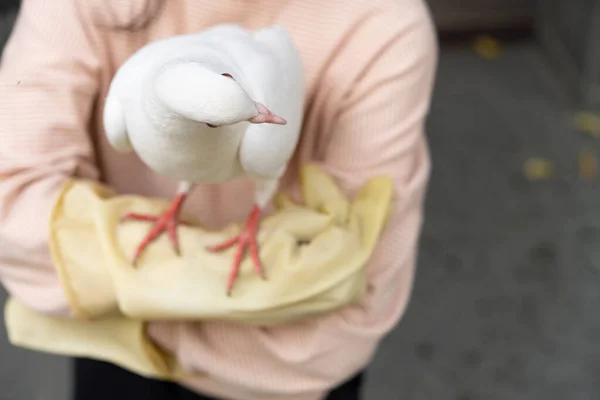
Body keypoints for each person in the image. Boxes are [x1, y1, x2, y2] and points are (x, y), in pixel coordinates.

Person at [0, 0, 437, 399]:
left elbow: (344, 321)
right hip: (124, 372)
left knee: (259, 147)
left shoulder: (383, 23)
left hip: (167, 357)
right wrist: (249, 294)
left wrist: (115, 293)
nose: (264, 117)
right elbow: (10, 214)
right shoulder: (99, 44)